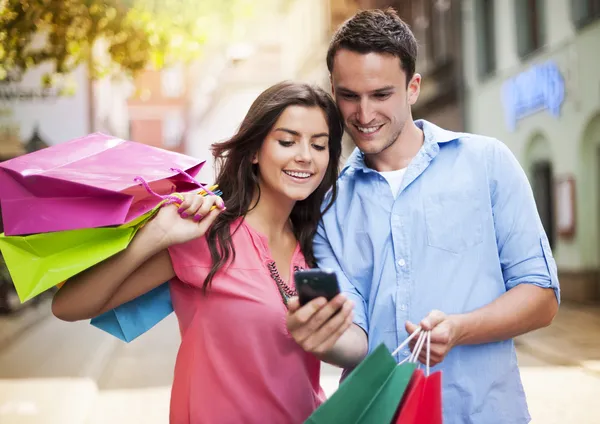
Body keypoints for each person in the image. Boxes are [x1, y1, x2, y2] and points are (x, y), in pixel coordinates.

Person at [286, 8, 560, 424]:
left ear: (413, 87)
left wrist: (461, 328)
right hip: (378, 415)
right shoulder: (327, 205)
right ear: (333, 90)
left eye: (381, 95)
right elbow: (356, 339)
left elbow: (541, 298)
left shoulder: (487, 163)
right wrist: (322, 336)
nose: (363, 114)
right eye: (349, 96)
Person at [51, 81, 348, 423]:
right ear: (253, 151)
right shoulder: (206, 232)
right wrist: (157, 234)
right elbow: (68, 306)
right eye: (287, 141)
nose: (305, 156)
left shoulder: (318, 245)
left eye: (320, 145)